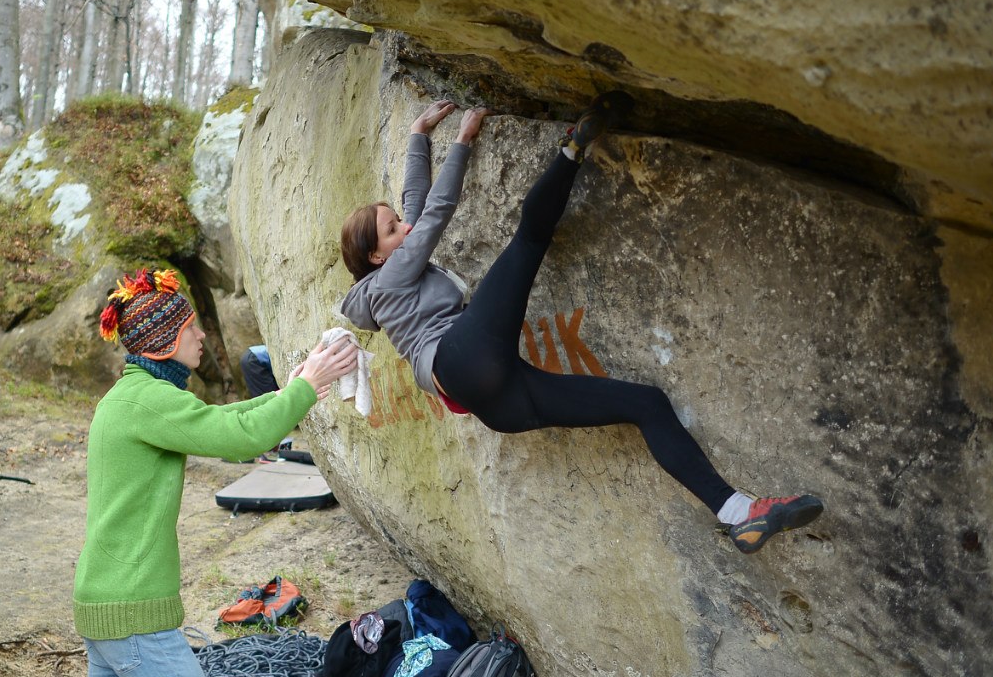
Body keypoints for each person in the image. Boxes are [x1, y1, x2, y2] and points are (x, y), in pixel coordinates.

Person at [338, 96, 823, 554]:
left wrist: (418, 133)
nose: (405, 226)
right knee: (528, 240)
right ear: (377, 256)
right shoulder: (386, 283)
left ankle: (738, 512)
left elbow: (417, 203)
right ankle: (574, 147)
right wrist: (462, 142)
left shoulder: (390, 270)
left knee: (646, 404)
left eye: (398, 221)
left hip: (498, 401)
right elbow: (435, 212)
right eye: (392, 229)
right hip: (461, 358)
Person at [73, 268, 357, 677]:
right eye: (190, 329)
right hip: (135, 613)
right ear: (164, 342)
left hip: (104, 605)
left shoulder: (131, 397)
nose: (203, 335)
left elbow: (221, 422)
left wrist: (287, 392)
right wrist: (308, 387)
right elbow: (238, 440)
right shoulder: (148, 401)